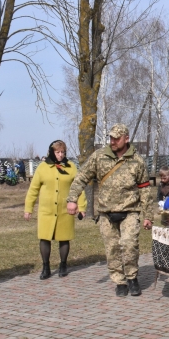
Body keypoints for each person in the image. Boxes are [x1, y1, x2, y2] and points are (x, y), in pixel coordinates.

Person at [66, 124, 153, 297]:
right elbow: (81, 177)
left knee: (129, 245)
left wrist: (148, 215)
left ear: (126, 139)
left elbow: (144, 189)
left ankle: (132, 277)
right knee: (112, 248)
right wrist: (72, 199)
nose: (112, 141)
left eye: (116, 138)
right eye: (111, 138)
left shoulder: (137, 160)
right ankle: (119, 281)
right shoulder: (99, 157)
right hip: (106, 213)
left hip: (130, 211)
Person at [24, 140, 87, 279]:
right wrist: (28, 208)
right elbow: (33, 189)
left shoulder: (71, 167)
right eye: (57, 152)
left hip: (65, 210)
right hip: (46, 211)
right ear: (51, 152)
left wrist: (81, 207)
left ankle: (63, 264)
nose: (60, 155)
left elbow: (79, 189)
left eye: (62, 152)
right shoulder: (42, 167)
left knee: (64, 238)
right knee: (44, 238)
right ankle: (45, 267)